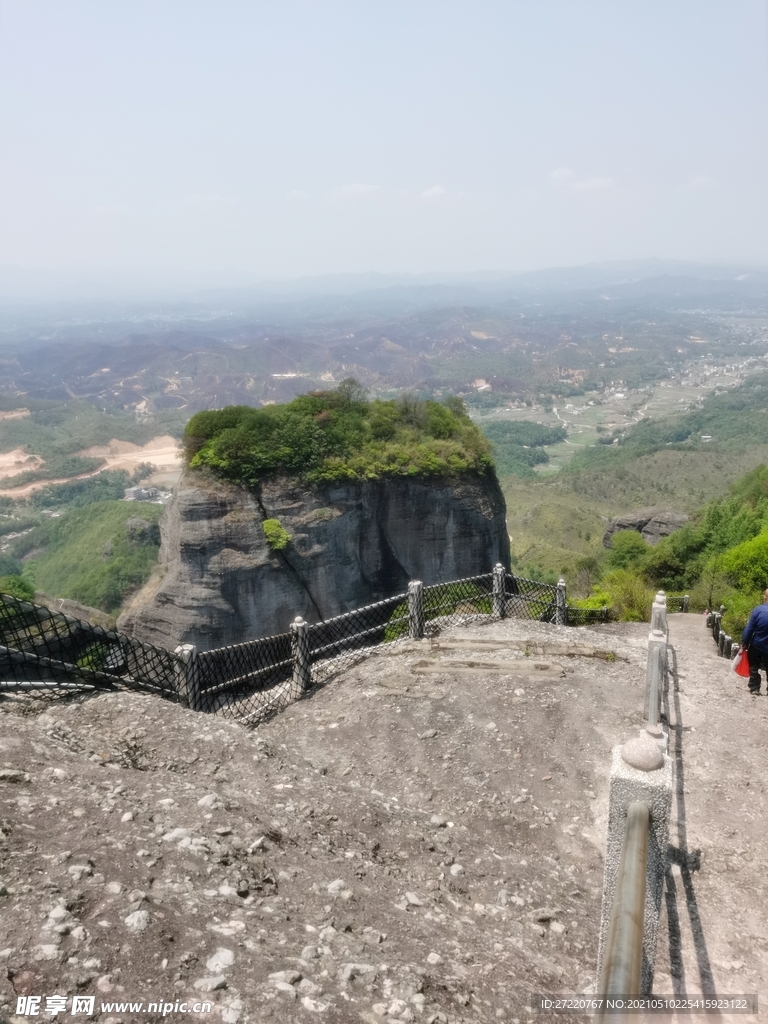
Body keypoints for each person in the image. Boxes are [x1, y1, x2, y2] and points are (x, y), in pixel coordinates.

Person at [741, 589, 768, 695]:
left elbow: (749, 629)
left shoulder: (758, 610)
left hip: (757, 644)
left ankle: (755, 687)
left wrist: (745, 642)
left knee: (753, 666)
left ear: (764, 597)